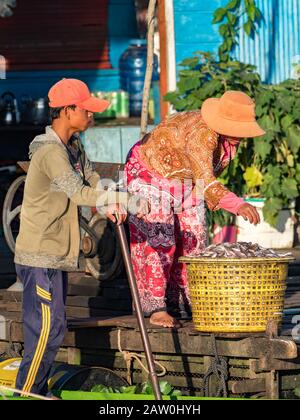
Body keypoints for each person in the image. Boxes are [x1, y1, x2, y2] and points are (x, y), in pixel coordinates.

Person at [13, 78, 133, 398]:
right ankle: (27, 393)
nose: (91, 116)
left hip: (58, 255)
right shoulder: (50, 152)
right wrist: (119, 200)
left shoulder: (74, 147)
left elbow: (92, 180)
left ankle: (35, 389)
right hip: (40, 255)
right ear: (67, 111)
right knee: (45, 330)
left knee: (55, 327)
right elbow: (78, 192)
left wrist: (110, 201)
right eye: (86, 110)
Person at [124, 90, 265, 328]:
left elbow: (205, 178)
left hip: (186, 181)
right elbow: (207, 180)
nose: (242, 135)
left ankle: (182, 298)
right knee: (161, 236)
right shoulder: (203, 135)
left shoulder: (229, 139)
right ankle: (154, 305)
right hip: (150, 172)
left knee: (195, 237)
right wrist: (237, 204)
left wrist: (215, 197)